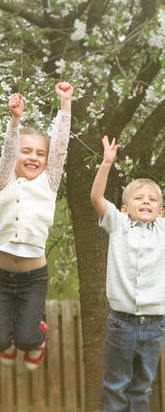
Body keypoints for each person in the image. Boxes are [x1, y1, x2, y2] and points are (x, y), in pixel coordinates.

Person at [0, 83, 73, 370]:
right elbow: (7, 151)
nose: (33, 157)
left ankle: (39, 335)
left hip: (33, 277)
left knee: (27, 339)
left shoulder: (49, 184)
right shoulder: (3, 182)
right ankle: (8, 338)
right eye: (26, 151)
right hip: (1, 276)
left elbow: (60, 147)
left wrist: (65, 106)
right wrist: (15, 120)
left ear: (47, 161)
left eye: (39, 153)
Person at [90, 136, 165, 412]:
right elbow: (96, 197)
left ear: (161, 210)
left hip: (156, 323)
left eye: (152, 199)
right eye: (138, 198)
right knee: (116, 384)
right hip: (121, 322)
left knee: (142, 387)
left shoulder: (162, 229)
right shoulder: (118, 224)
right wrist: (106, 164)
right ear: (124, 209)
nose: (145, 201)